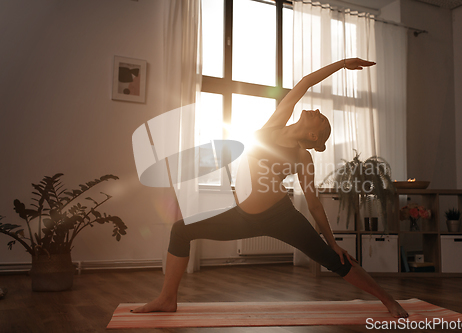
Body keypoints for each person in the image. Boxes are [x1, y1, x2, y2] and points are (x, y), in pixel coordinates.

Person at [132, 58, 409, 318]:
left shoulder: (303, 156)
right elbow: (305, 82)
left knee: (332, 259)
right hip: (242, 217)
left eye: (321, 119)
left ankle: (387, 299)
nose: (318, 111)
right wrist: (341, 64)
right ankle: (167, 299)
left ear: (313, 135)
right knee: (181, 230)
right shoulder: (275, 123)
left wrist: (332, 242)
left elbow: (313, 203)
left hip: (282, 218)